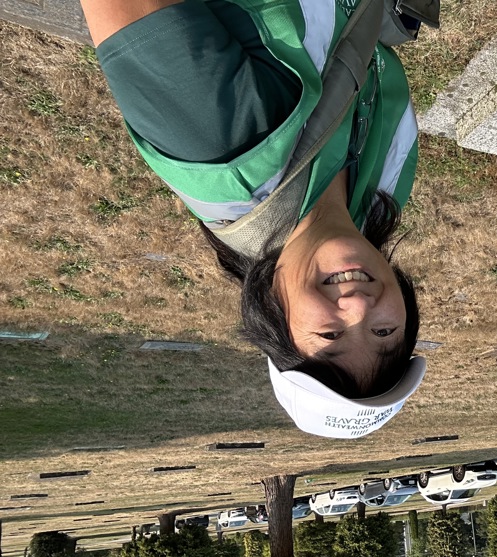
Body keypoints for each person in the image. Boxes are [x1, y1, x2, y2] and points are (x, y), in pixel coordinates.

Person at [80, 0, 431, 438]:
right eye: (383, 332)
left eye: (329, 337)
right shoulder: (387, 189)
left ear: (272, 314)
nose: (359, 307)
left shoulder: (222, 143)